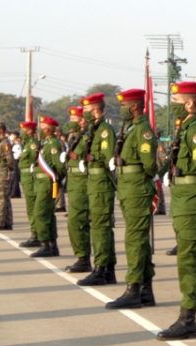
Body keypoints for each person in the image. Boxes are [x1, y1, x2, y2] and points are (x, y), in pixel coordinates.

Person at [156, 81, 196, 340]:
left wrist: (189, 179)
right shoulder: (186, 129)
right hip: (185, 199)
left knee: (189, 261)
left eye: (178, 101)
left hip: (191, 200)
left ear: (190, 103)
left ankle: (188, 316)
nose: (174, 106)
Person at [105, 89, 157, 309]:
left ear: (134, 106)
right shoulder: (131, 128)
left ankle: (133, 288)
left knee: (134, 239)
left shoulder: (143, 130)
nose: (121, 109)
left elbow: (149, 165)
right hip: (128, 187)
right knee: (138, 239)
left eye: (124, 105)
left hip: (136, 188)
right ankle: (145, 289)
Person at [77, 92, 119, 287]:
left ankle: (102, 268)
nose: (83, 113)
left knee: (100, 226)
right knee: (99, 225)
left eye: (86, 109)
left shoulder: (104, 131)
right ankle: (107, 268)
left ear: (95, 110)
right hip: (94, 182)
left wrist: (92, 160)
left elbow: (108, 157)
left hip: (101, 183)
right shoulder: (93, 130)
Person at [63, 106, 93, 273]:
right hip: (74, 181)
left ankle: (84, 258)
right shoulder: (75, 137)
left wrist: (79, 157)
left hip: (82, 182)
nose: (71, 123)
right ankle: (82, 257)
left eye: (74, 120)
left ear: (82, 120)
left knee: (77, 220)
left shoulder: (87, 136)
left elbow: (93, 156)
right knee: (75, 221)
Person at [30, 116, 65, 257]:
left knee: (40, 214)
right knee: (48, 215)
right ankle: (52, 245)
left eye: (43, 126)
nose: (40, 128)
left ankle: (45, 243)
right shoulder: (45, 143)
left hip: (47, 183)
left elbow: (59, 166)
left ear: (49, 129)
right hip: (41, 183)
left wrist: (57, 181)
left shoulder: (53, 144)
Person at [18, 121, 41, 248]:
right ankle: (34, 233)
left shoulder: (32, 144)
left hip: (31, 178)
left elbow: (34, 160)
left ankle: (36, 235)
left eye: (24, 130)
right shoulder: (26, 144)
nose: (22, 132)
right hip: (26, 177)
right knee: (30, 207)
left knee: (32, 207)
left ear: (30, 131)